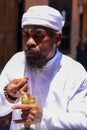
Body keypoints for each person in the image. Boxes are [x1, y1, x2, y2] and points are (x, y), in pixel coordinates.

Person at [0, 5, 87, 130]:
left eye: (38, 35)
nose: (30, 42)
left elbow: (83, 123)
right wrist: (8, 96)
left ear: (57, 39)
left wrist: (43, 116)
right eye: (26, 35)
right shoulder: (17, 61)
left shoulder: (75, 72)